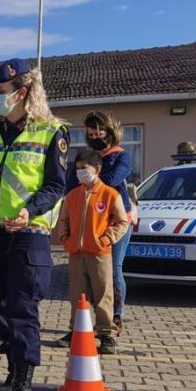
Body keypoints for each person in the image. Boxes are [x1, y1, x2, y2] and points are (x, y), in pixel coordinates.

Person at [0, 58, 67, 391]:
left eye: (0, 93)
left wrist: (30, 210)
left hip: (29, 234)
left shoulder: (50, 132)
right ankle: (12, 372)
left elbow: (56, 184)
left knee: (24, 309)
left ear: (21, 93)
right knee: (2, 309)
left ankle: (23, 386)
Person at [64, 111, 134, 339]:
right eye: (91, 134)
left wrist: (93, 175)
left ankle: (114, 318)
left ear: (109, 132)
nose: (95, 137)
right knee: (81, 281)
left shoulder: (120, 156)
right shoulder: (86, 158)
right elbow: (71, 185)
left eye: (99, 133)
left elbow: (113, 181)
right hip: (87, 221)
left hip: (113, 218)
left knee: (111, 272)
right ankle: (82, 324)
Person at [59, 149, 130, 354]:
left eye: (84, 169)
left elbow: (121, 221)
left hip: (100, 254)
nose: (80, 172)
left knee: (103, 295)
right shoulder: (73, 195)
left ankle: (106, 334)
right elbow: (63, 220)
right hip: (76, 254)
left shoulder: (110, 194)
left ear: (97, 169)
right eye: (77, 169)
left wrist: (106, 238)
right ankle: (76, 331)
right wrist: (66, 238)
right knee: (77, 296)